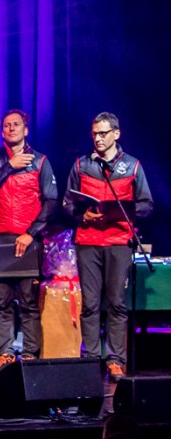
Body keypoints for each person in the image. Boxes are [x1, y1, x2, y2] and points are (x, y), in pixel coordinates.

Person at [62, 112, 153, 380]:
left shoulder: (132, 166)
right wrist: (82, 215)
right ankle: (90, 359)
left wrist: (122, 212)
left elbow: (147, 205)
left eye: (103, 133)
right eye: (95, 134)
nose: (98, 139)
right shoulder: (81, 165)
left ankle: (115, 360)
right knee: (90, 304)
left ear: (116, 133)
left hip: (118, 242)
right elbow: (67, 203)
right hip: (88, 241)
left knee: (116, 303)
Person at [0, 109, 58, 375]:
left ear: (26, 130)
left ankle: (31, 354)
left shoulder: (41, 161)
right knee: (1, 301)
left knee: (28, 302)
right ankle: (4, 354)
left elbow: (51, 201)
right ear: (2, 130)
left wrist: (31, 233)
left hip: (28, 238)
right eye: (6, 125)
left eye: (16, 124)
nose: (11, 128)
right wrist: (10, 166)